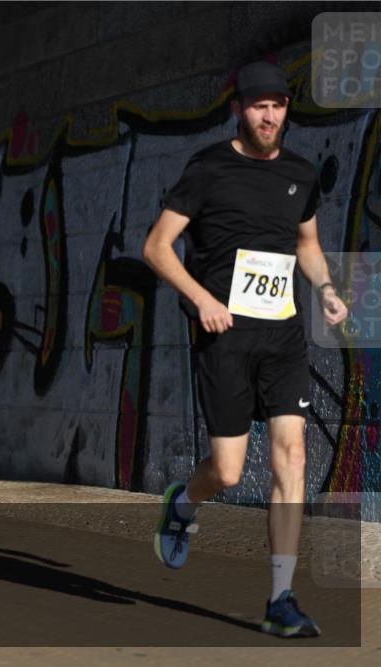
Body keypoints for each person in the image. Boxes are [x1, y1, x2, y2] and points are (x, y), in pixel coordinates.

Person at [143, 61, 349, 638]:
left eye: (278, 105)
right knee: (229, 473)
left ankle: (281, 597)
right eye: (258, 105)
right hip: (224, 335)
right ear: (238, 109)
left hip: (281, 334)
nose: (269, 115)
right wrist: (202, 299)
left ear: (287, 109)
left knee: (293, 454)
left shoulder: (301, 174)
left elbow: (306, 243)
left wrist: (326, 290)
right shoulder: (208, 168)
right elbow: (157, 247)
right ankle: (183, 505)